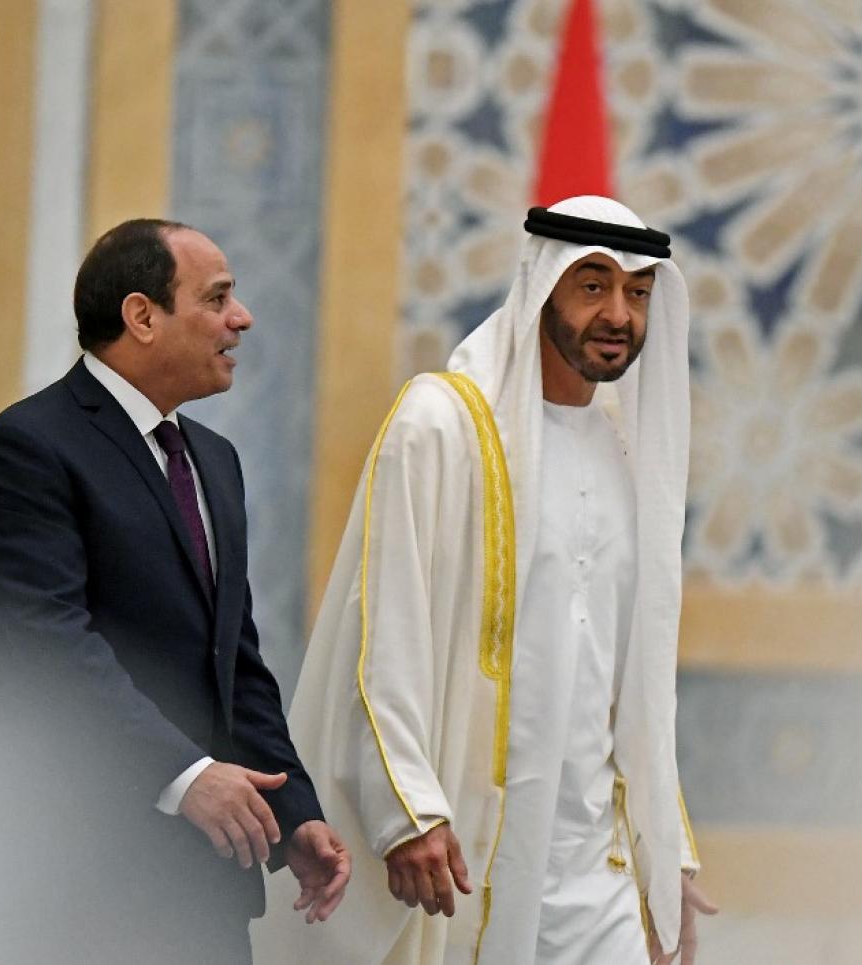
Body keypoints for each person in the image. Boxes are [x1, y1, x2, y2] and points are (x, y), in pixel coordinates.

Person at [253, 195, 715, 965]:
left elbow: (631, 675)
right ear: (542, 286)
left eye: (638, 294)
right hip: (469, 846)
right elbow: (385, 630)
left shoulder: (625, 456)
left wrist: (665, 848)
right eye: (593, 285)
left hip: (593, 860)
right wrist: (409, 809)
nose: (618, 314)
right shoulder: (441, 425)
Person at [0, 219, 352, 965]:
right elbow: (48, 649)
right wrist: (185, 776)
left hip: (200, 882)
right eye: (217, 297)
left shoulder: (214, 460)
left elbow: (234, 661)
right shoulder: (29, 448)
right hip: (60, 875)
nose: (242, 318)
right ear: (142, 316)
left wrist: (293, 812)